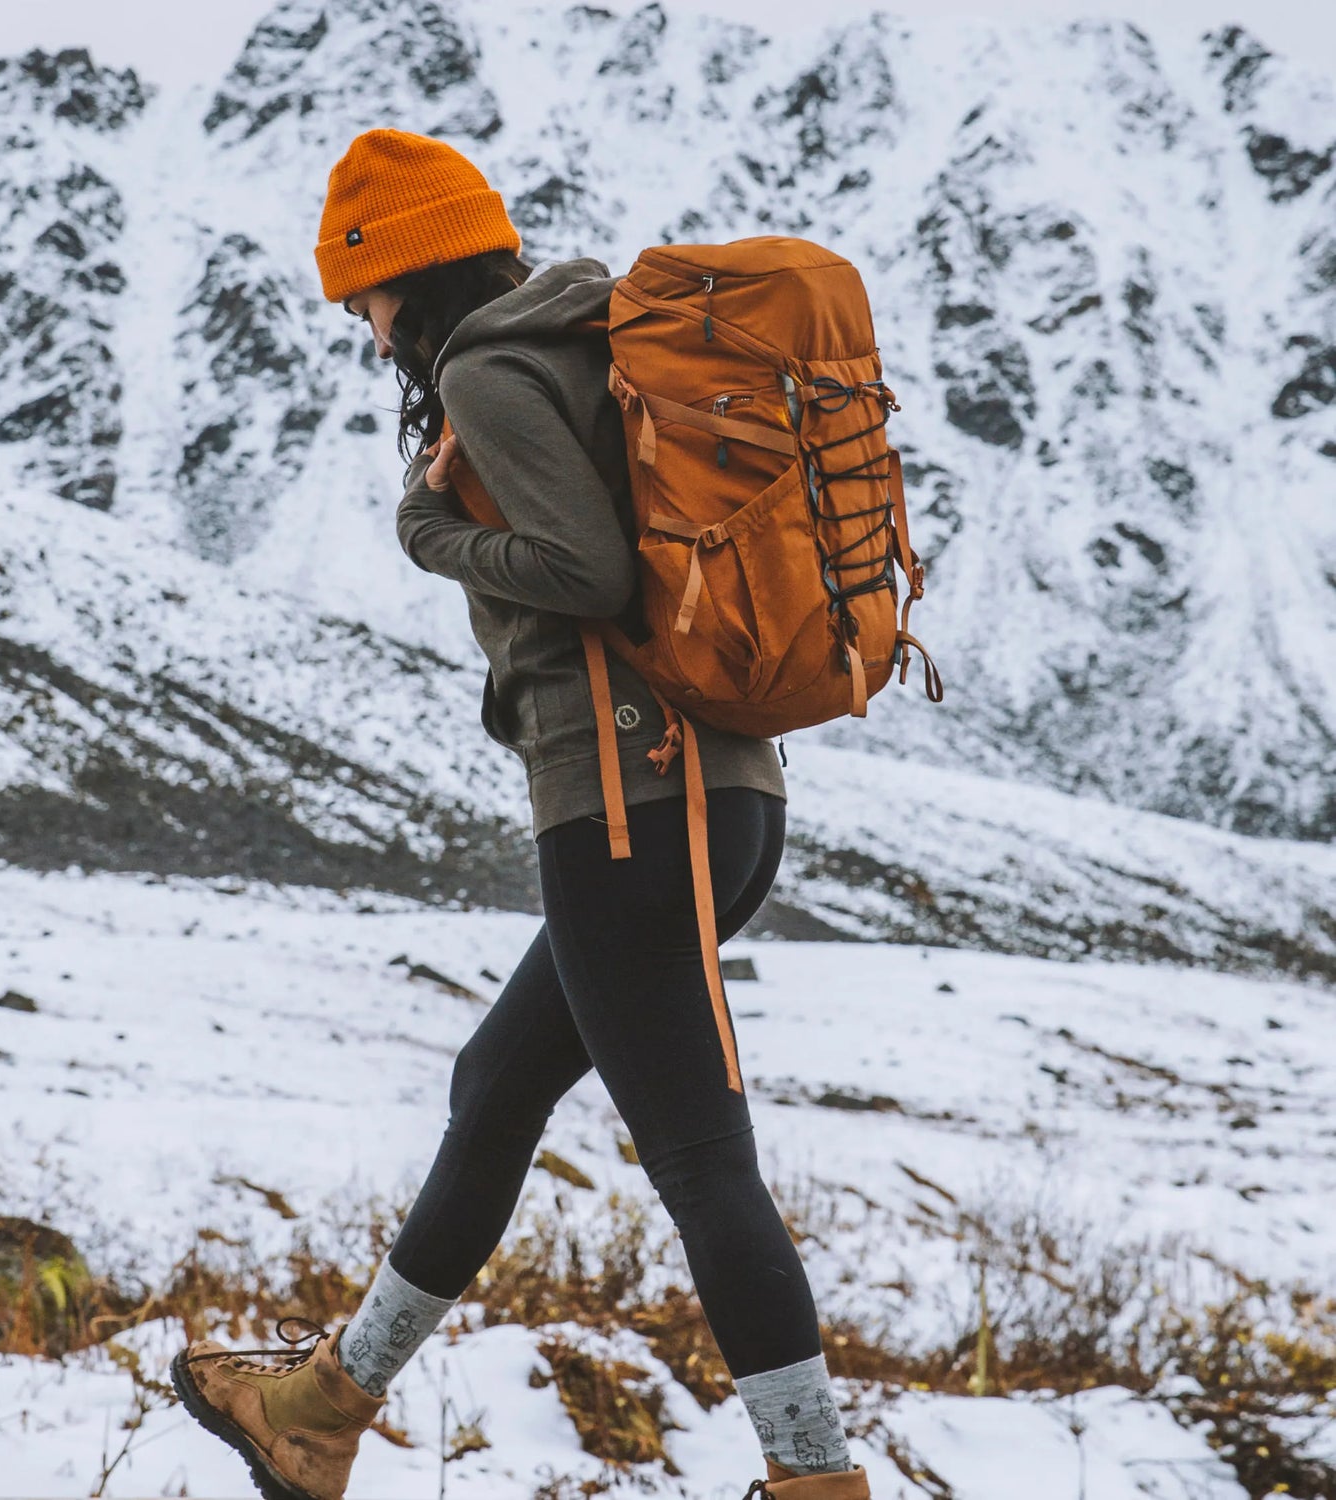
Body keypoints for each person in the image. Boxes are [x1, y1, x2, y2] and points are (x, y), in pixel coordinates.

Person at [171, 128, 870, 1500]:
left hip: (626, 806)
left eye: (365, 300)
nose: (367, 332)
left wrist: (429, 535)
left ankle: (816, 1482)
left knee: (700, 1160)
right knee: (497, 1085)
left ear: (410, 277)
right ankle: (322, 1411)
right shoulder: (594, 342)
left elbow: (586, 569)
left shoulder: (489, 368)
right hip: (721, 799)